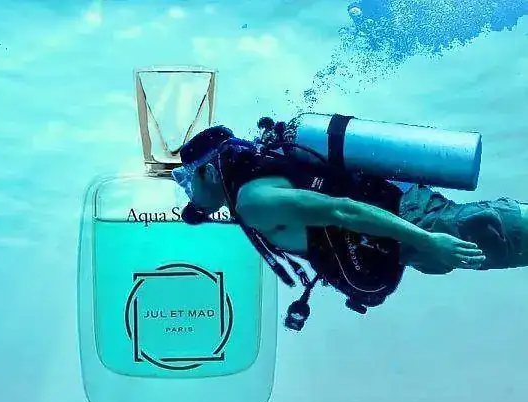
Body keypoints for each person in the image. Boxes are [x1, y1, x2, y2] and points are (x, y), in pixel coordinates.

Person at [172, 122, 528, 330]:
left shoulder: (253, 200)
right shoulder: (252, 182)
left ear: (208, 172)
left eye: (188, 180)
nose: (189, 192)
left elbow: (342, 210)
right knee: (500, 244)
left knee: (493, 231)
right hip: (399, 229)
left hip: (410, 220)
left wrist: (427, 239)